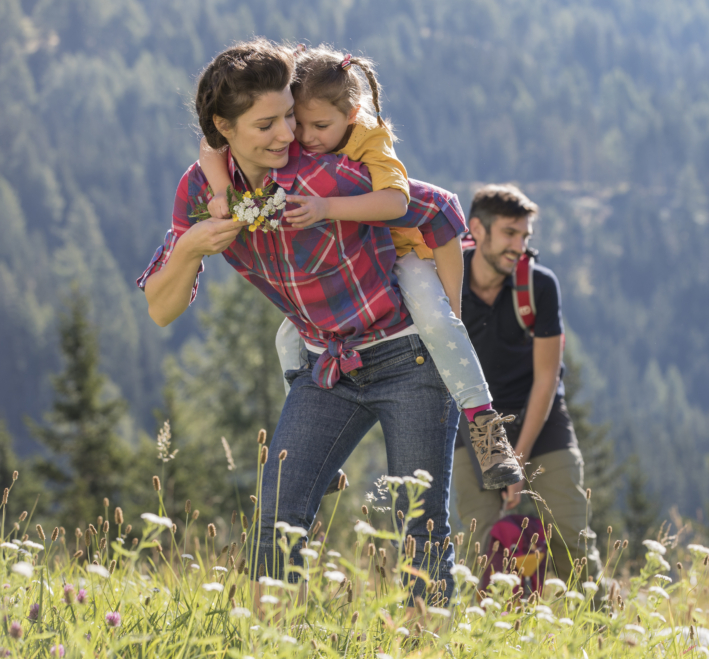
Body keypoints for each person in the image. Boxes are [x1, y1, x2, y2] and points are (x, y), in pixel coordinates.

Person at [139, 38, 465, 600]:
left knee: (420, 523)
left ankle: (427, 652)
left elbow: (440, 209)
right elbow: (161, 309)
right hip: (326, 368)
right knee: (277, 515)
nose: (288, 135)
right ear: (224, 127)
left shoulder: (328, 173)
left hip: (408, 356)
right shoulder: (202, 193)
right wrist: (191, 247)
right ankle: (269, 645)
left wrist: (454, 324)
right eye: (266, 124)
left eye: (289, 116)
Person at [198, 45, 521, 491]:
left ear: (351, 115)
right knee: (291, 335)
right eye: (298, 122)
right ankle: (314, 431)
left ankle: (485, 425)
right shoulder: (291, 138)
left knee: (436, 320)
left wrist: (452, 310)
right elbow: (211, 146)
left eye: (320, 126)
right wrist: (219, 191)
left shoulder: (370, 138)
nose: (303, 137)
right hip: (356, 263)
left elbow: (405, 203)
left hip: (401, 252)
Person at [451, 184, 602, 585]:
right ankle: (485, 642)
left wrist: (516, 459)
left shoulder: (538, 286)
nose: (518, 246)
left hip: (542, 419)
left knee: (572, 542)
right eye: (508, 234)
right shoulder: (449, 282)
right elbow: (453, 376)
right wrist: (501, 462)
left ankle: (601, 639)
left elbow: (547, 377)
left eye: (524, 236)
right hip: (473, 421)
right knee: (478, 551)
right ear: (476, 230)